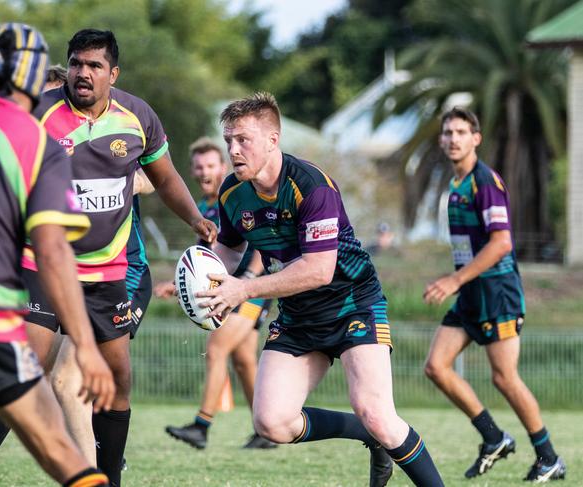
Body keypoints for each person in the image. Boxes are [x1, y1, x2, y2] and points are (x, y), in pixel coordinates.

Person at [0, 28, 216, 487]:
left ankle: (109, 480)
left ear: (112, 74)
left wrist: (195, 219)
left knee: (116, 382)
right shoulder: (39, 111)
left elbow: (167, 176)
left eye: (95, 66)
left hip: (109, 270)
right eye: (76, 63)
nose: (83, 73)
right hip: (44, 264)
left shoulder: (138, 117)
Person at [199, 92, 444, 487]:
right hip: (299, 318)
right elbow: (229, 247)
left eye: (243, 139)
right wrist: (207, 284)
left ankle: (381, 434)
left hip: (352, 306)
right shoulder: (232, 192)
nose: (233, 149)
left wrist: (243, 291)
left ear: (272, 140)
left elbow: (318, 270)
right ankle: (369, 436)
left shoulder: (311, 186)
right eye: (228, 140)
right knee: (271, 422)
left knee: (379, 413)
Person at [0, 22, 116, 486]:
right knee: (61, 452)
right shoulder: (38, 140)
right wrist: (87, 346)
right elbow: (54, 254)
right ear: (37, 76)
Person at [422, 107, 566, 482]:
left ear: (476, 139)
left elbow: (502, 243)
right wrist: (458, 282)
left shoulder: (484, 183)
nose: (453, 138)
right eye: (448, 132)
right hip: (471, 293)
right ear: (441, 139)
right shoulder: (456, 185)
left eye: (461, 132)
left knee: (504, 378)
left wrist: (453, 281)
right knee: (436, 366)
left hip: (497, 293)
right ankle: (493, 437)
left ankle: (549, 457)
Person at [159, 137, 275, 450]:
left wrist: (250, 279)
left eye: (210, 165)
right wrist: (178, 282)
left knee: (216, 349)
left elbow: (261, 242)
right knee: (243, 361)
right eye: (198, 166)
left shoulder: (239, 196)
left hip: (252, 292)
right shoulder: (200, 208)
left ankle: (201, 425)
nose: (204, 171)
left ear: (222, 167)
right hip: (228, 289)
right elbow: (203, 256)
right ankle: (266, 430)